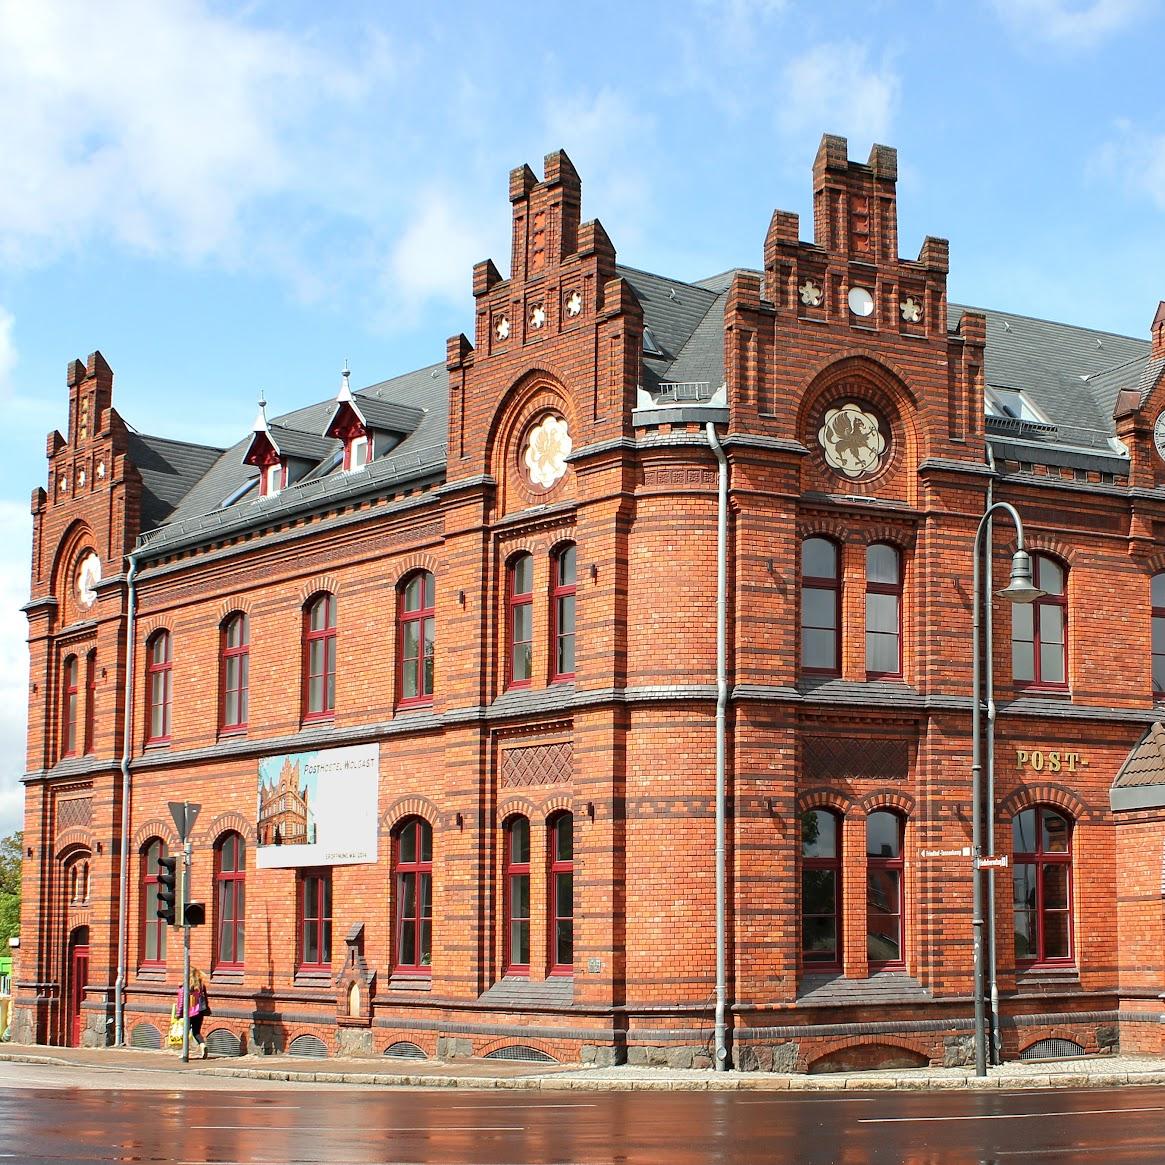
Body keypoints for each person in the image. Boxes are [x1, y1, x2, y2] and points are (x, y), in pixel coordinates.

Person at [176, 967, 210, 1058]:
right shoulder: (201, 986)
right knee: (196, 1032)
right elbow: (205, 999)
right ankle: (203, 1045)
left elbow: (181, 1002)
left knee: (185, 1033)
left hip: (188, 1013)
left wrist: (178, 1014)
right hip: (199, 1012)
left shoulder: (185, 987)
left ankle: (184, 1053)